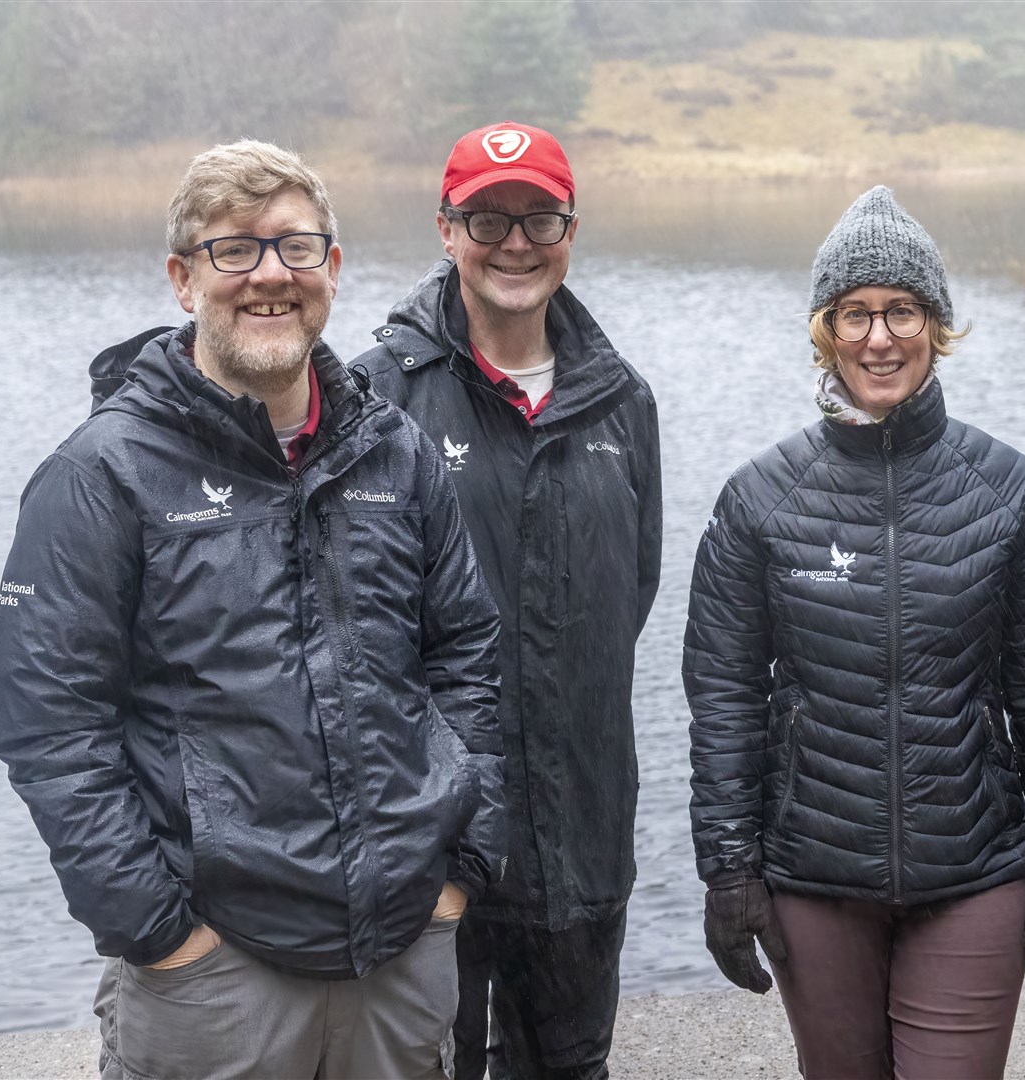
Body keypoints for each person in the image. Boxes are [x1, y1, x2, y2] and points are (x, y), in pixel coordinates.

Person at [0, 140, 507, 1079]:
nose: (270, 275)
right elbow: (52, 728)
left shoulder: (396, 457)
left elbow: (467, 656)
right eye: (235, 250)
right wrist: (156, 931)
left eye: (296, 248)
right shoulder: (101, 474)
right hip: (213, 974)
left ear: (333, 270)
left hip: (400, 950)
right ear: (184, 279)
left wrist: (456, 871)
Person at [685, 186, 1025, 1079]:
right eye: (856, 313)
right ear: (824, 330)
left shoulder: (1012, 493)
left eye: (902, 310)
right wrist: (728, 870)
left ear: (936, 326)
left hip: (976, 869)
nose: (880, 337)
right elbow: (723, 698)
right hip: (811, 874)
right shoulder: (761, 499)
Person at [354, 121, 661, 1080]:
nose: (515, 243)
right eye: (488, 219)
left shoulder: (622, 401)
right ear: (446, 231)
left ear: (572, 229)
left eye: (540, 217)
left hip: (581, 837)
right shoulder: (378, 399)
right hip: (427, 854)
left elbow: (632, 595)